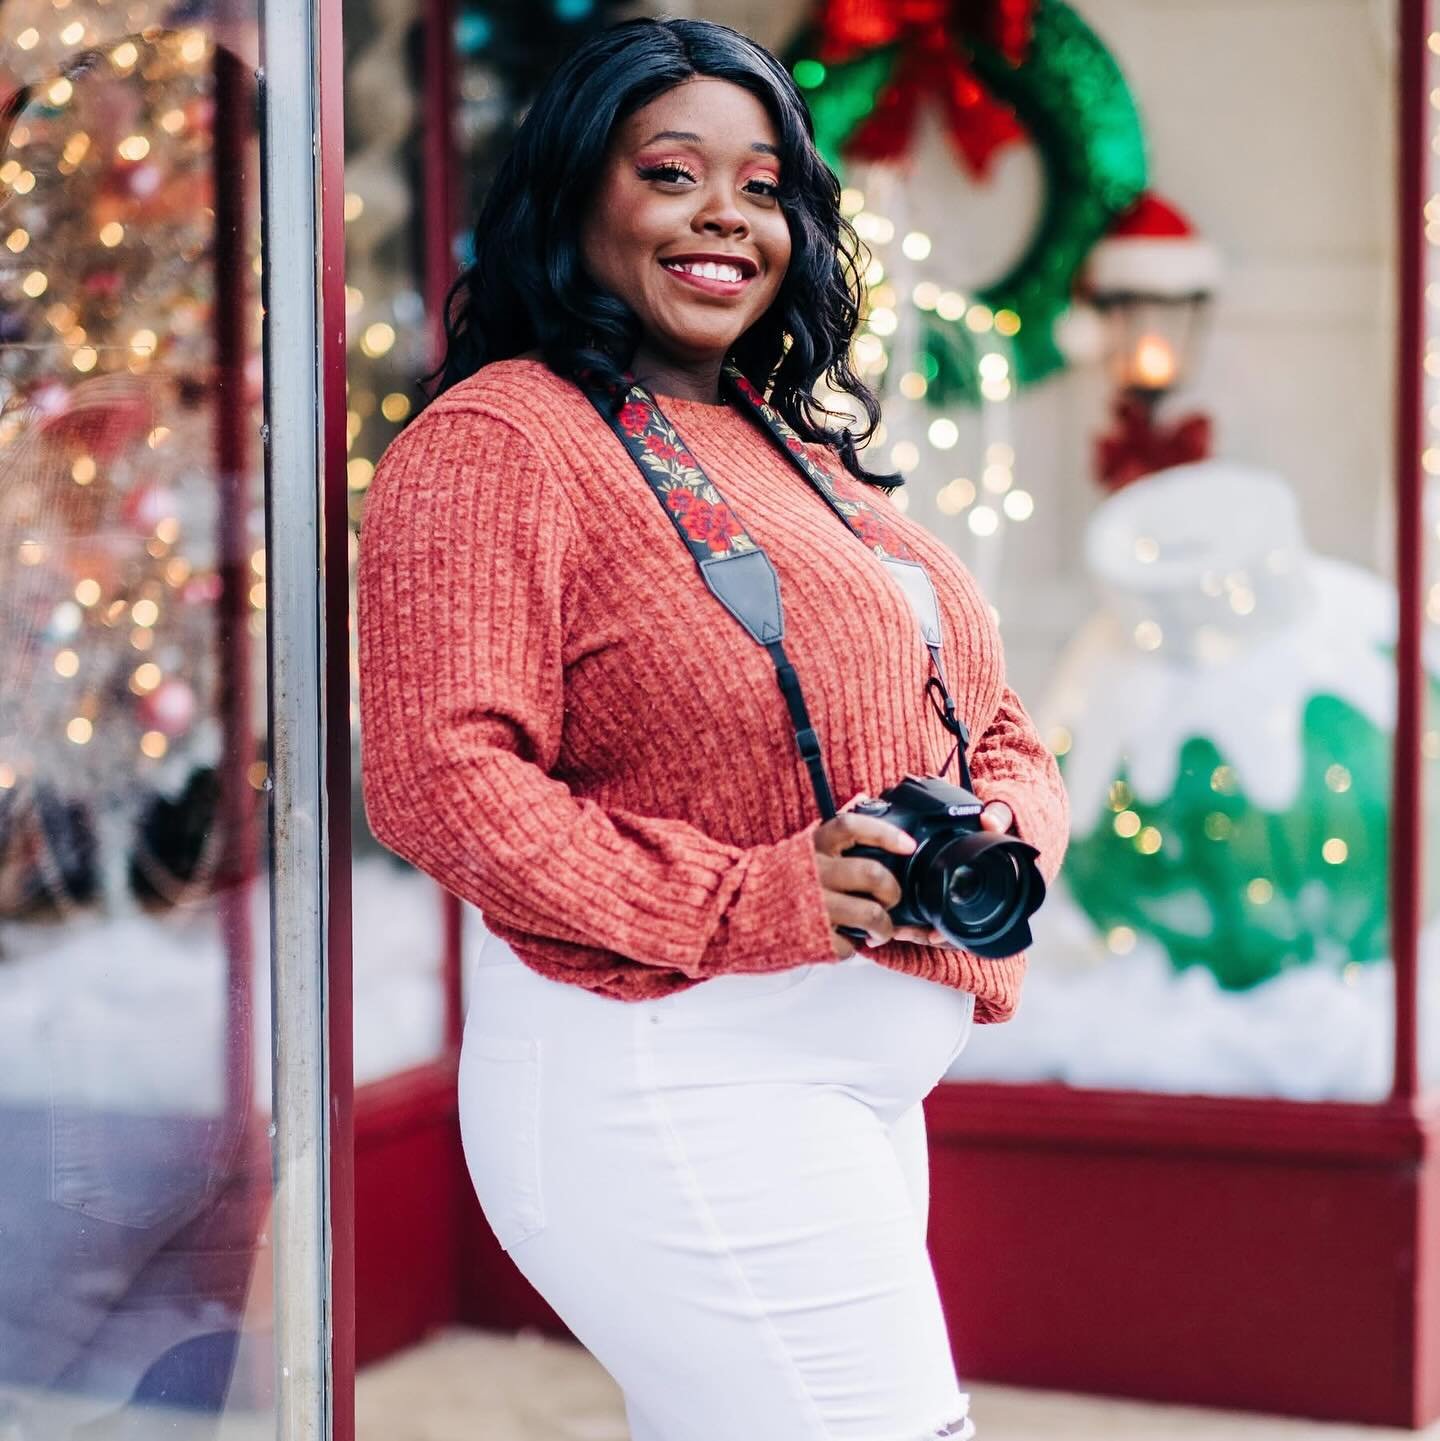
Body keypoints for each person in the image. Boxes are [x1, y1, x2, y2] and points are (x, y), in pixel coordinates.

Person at [356, 15, 1069, 1439]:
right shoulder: (501, 438)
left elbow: (988, 717)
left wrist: (1012, 822)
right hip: (669, 1074)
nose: (724, 217)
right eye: (671, 171)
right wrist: (756, 893)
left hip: (837, 1082)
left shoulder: (791, 444)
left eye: (761, 185)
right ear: (575, 194)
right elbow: (437, 777)